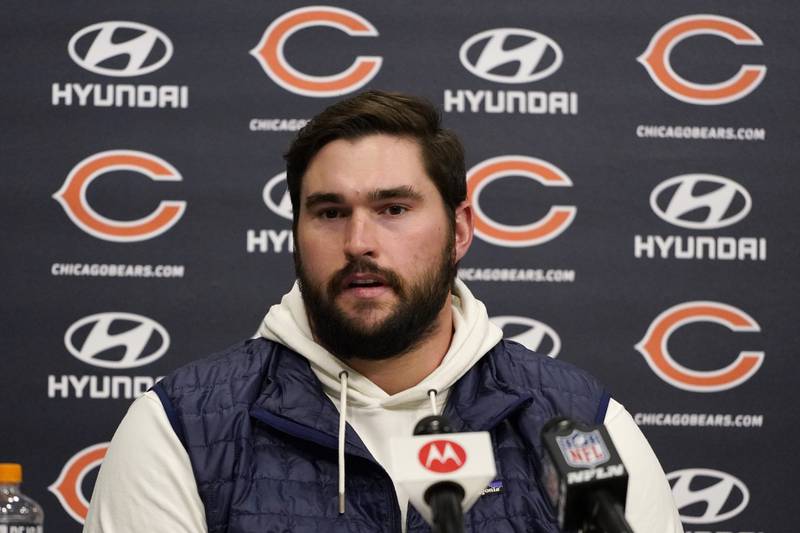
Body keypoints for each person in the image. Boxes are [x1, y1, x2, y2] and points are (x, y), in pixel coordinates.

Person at [84, 91, 683, 533]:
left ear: (459, 231)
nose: (359, 242)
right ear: (295, 233)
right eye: (328, 212)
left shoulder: (579, 424)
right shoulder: (182, 429)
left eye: (393, 209)